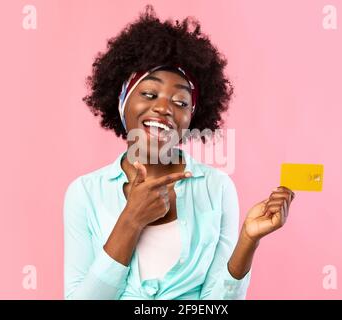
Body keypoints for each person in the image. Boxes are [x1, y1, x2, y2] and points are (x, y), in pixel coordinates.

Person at [64, 5, 295, 300]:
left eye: (181, 102)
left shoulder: (217, 187)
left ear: (192, 118)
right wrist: (131, 219)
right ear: (122, 101)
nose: (164, 109)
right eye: (149, 94)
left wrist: (248, 240)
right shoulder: (84, 193)